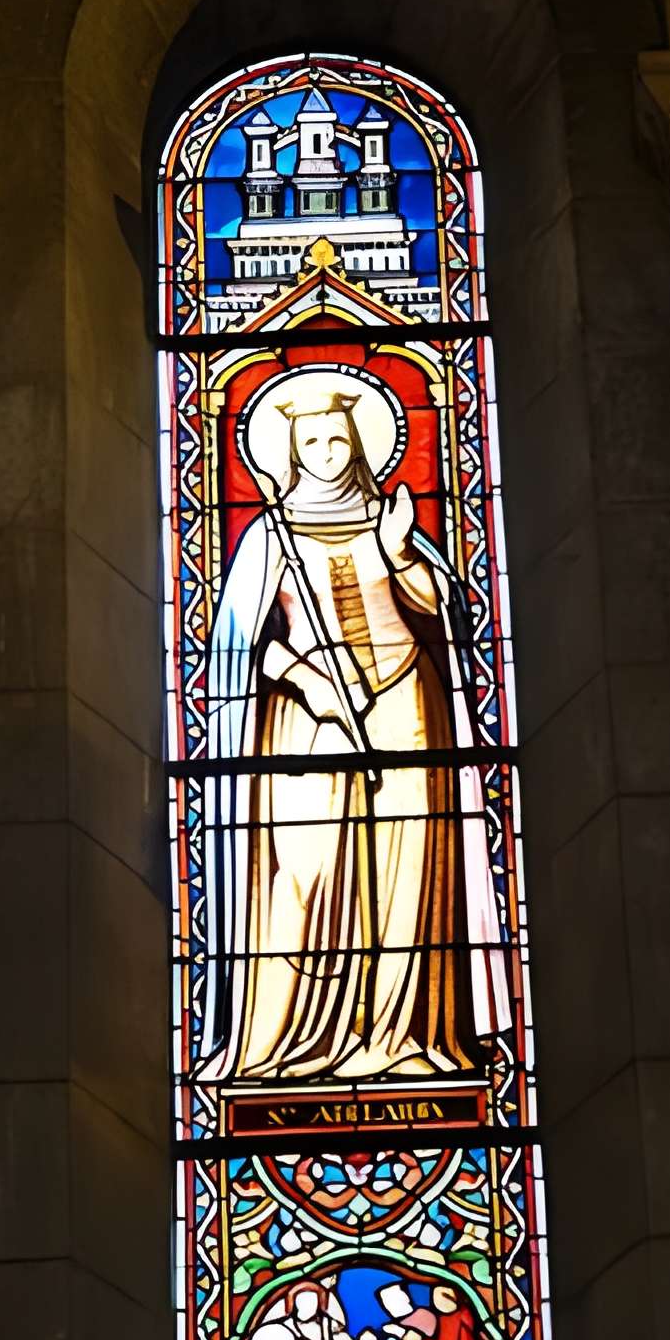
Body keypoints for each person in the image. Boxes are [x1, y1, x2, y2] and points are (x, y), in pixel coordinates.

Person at [197, 376, 510, 1083]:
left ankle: (398, 1038)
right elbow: (240, 643)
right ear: (291, 451)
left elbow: (438, 614)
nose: (328, 451)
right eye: (312, 441)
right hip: (309, 722)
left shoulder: (389, 520)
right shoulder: (267, 537)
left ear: (362, 441)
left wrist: (400, 552)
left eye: (339, 437)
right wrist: (304, 678)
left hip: (406, 705)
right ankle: (271, 1046)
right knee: (303, 872)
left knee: (402, 874)